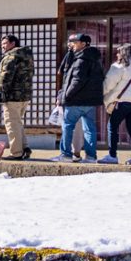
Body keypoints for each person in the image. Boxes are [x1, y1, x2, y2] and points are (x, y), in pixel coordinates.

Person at [56, 31, 105, 162]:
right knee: (89, 129)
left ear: (83, 44)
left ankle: (66, 154)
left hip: (76, 100)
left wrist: (65, 96)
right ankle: (91, 156)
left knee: (68, 126)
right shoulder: (96, 59)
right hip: (91, 101)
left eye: (74, 42)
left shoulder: (80, 60)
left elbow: (77, 81)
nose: (71, 44)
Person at [103, 44, 131, 164]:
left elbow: (109, 83)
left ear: (124, 53)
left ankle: (112, 155)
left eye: (119, 52)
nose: (117, 54)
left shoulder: (120, 66)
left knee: (112, 126)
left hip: (122, 101)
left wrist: (101, 93)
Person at [0, 35, 35, 158]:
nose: (3, 46)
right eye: (2, 44)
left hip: (12, 96)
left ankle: (16, 153)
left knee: (12, 124)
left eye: (5, 43)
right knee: (17, 123)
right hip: (25, 95)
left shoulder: (11, 57)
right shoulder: (27, 56)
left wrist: (0, 93)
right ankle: (25, 147)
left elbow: (5, 77)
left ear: (13, 43)